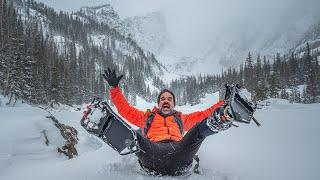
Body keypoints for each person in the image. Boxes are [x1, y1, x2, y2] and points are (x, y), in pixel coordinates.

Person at [103, 68, 234, 175]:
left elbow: (204, 114)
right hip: (152, 154)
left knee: (199, 130)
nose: (166, 101)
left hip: (180, 153)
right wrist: (114, 89)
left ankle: (222, 117)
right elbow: (125, 110)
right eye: (163, 99)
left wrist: (223, 103)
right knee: (133, 135)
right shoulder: (148, 117)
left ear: (173, 104)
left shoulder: (181, 119)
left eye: (169, 99)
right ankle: (102, 122)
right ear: (159, 103)